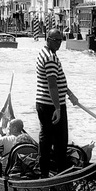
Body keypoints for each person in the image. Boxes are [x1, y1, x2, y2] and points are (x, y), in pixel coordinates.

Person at [35, 28, 79, 177]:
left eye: (60, 40)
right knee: (59, 142)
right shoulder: (50, 58)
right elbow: (52, 85)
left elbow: (58, 81)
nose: (59, 43)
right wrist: (58, 109)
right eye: (56, 40)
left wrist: (70, 94)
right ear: (48, 39)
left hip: (45, 103)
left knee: (47, 138)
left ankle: (47, 173)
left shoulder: (45, 53)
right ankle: (56, 175)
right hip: (51, 106)